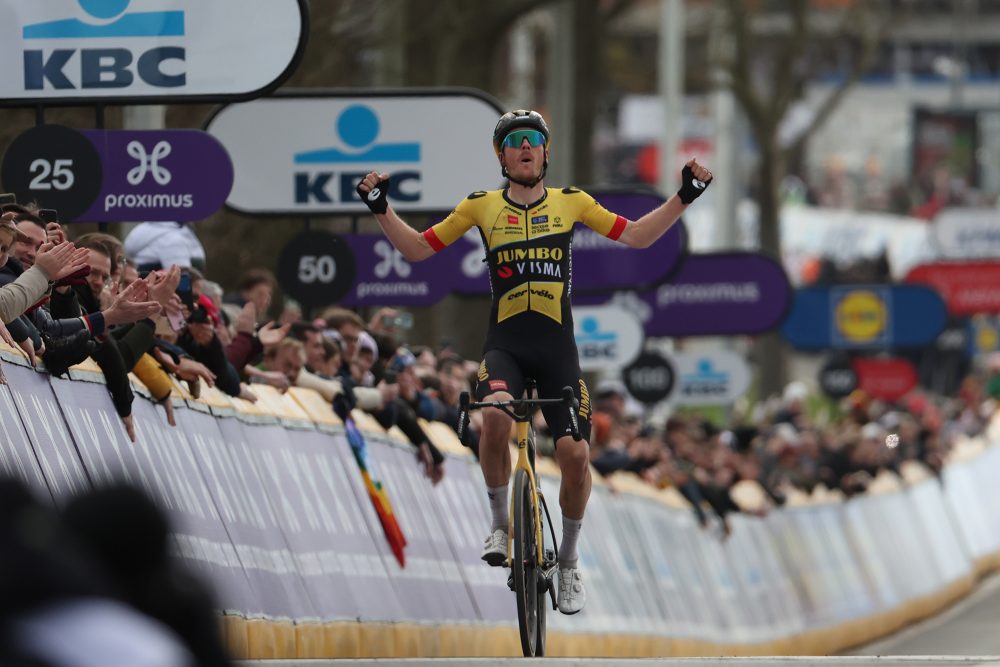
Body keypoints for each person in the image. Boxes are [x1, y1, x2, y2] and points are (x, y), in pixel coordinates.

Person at [356, 109, 713, 614]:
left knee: (575, 457)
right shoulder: (480, 207)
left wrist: (684, 198)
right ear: (501, 156)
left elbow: (635, 237)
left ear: (546, 152)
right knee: (496, 416)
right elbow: (417, 250)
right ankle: (500, 526)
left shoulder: (572, 203)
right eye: (514, 141)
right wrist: (379, 207)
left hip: (557, 351)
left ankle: (567, 563)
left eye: (534, 141)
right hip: (505, 344)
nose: (525, 148)